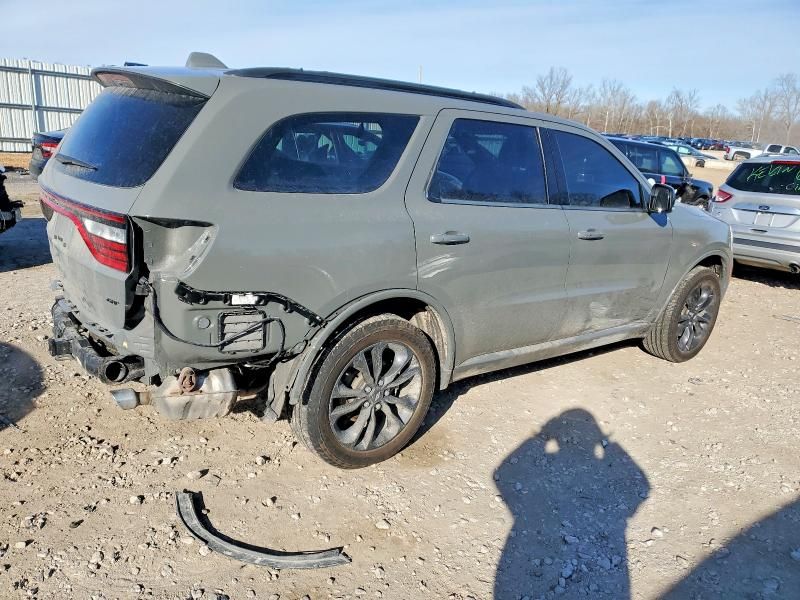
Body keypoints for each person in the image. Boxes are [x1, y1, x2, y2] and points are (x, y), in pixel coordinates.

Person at [494, 409, 649, 599]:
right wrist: (610, 446)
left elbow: (500, 474)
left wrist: (539, 437)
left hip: (522, 543)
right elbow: (643, 485)